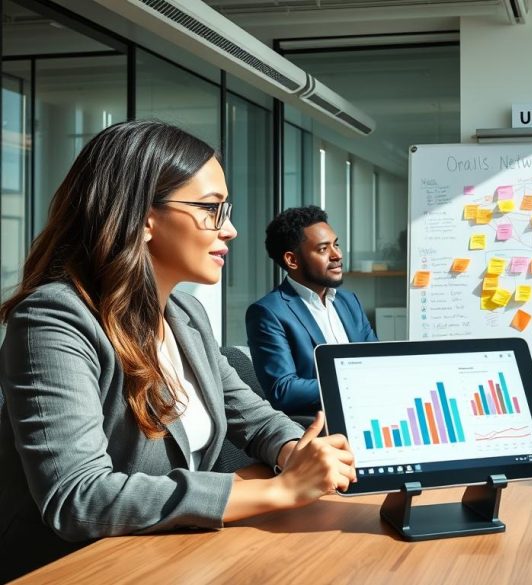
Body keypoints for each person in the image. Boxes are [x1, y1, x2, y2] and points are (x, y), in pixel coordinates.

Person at [0, 121, 357, 581]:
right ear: (144, 216)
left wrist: (296, 452)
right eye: (211, 209)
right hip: (80, 570)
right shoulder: (54, 320)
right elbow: (79, 497)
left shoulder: (185, 316)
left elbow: (253, 416)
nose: (229, 229)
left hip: (178, 557)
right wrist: (278, 491)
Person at [246, 207, 377, 416]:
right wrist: (350, 382)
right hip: (321, 424)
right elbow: (283, 390)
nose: (337, 255)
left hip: (370, 412)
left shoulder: (349, 302)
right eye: (323, 249)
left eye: (336, 245)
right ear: (292, 260)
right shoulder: (268, 312)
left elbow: (376, 362)